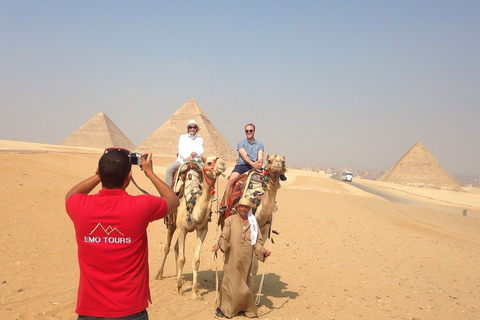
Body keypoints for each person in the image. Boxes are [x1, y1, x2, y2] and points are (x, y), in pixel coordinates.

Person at [65, 148, 180, 320]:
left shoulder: (78, 205)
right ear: (128, 177)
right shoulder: (142, 206)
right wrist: (149, 173)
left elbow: (71, 194)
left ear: (100, 172)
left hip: (89, 310)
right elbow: (172, 200)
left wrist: (100, 174)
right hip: (130, 310)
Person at [212, 197, 271, 318]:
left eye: (246, 207)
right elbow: (225, 236)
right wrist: (218, 245)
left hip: (246, 259)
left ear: (249, 209)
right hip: (232, 258)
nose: (243, 209)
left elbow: (258, 242)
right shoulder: (230, 220)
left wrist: (262, 251)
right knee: (228, 283)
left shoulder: (253, 223)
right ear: (237, 207)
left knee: (242, 284)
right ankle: (222, 308)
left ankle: (241, 308)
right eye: (242, 206)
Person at [221, 123, 264, 211]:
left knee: (267, 182)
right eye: (247, 131)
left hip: (255, 167)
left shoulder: (260, 144)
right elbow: (244, 156)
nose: (249, 132)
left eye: (251, 130)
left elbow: (260, 157)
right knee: (231, 180)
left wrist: (258, 164)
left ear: (254, 131)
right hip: (242, 165)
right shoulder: (241, 143)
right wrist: (253, 164)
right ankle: (225, 205)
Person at [165, 119, 204, 188]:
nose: (192, 129)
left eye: (194, 127)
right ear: (188, 129)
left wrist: (196, 153)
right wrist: (187, 157)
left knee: (207, 171)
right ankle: (168, 192)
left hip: (195, 160)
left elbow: (201, 151)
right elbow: (181, 150)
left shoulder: (200, 139)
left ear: (196, 129)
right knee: (169, 170)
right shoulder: (183, 137)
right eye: (190, 127)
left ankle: (209, 193)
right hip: (182, 160)